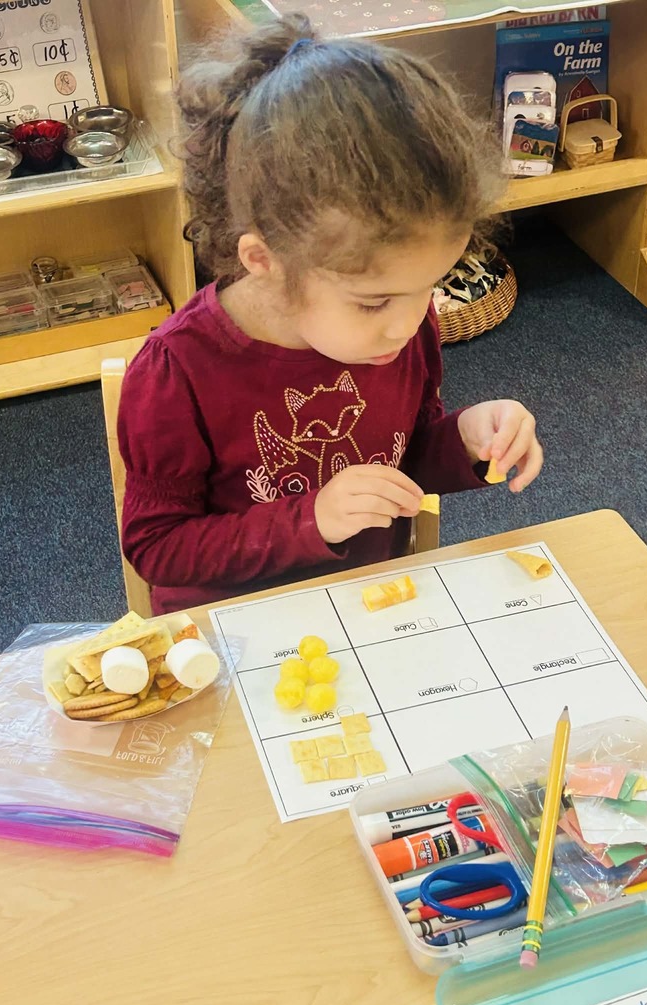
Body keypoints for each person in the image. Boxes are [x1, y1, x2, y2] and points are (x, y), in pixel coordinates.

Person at [118, 14, 543, 614]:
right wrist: (310, 519)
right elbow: (159, 547)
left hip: (367, 604)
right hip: (236, 626)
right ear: (264, 259)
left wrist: (468, 440)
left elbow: (404, 460)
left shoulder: (402, 331)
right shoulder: (176, 373)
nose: (408, 322)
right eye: (373, 301)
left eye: (429, 286)